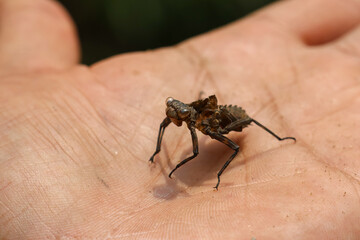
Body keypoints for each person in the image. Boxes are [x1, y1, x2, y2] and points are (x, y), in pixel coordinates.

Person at [1, 0, 359, 238]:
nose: (170, 116)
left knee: (231, 145)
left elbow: (197, 149)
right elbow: (165, 129)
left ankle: (275, 140)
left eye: (176, 112)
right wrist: (159, 154)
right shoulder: (184, 120)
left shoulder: (200, 123)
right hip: (208, 119)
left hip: (231, 121)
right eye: (172, 112)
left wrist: (204, 170)